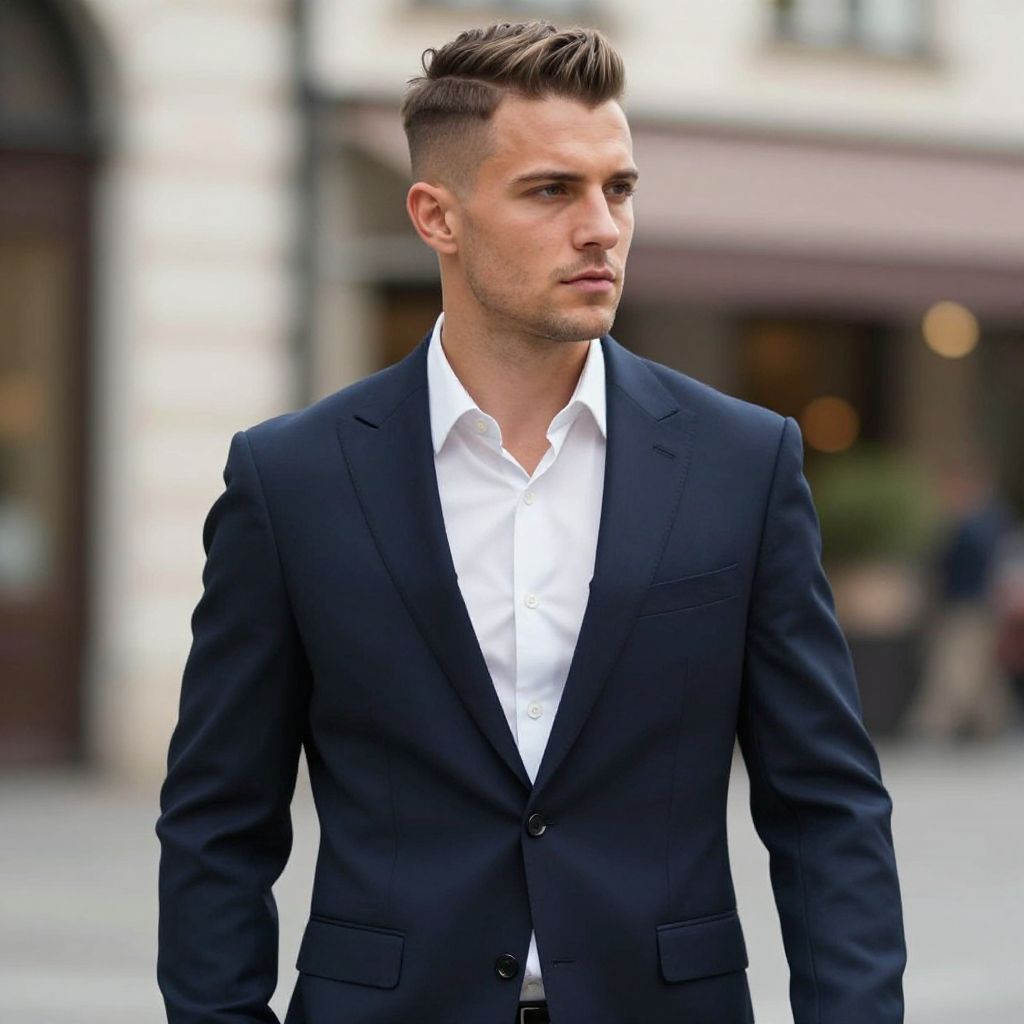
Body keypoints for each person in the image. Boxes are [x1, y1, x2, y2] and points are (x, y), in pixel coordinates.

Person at [156, 21, 906, 1024]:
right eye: (552, 190)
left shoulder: (741, 462)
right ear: (437, 216)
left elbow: (827, 809)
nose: (600, 226)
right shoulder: (291, 479)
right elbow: (218, 823)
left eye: (619, 189)